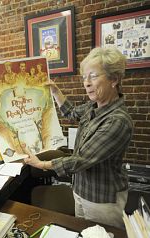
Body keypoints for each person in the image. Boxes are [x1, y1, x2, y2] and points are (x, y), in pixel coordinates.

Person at [24, 47, 133, 229]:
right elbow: (72, 112)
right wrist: (55, 92)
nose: (86, 83)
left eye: (93, 76)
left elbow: (81, 160)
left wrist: (41, 165)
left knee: (100, 234)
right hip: (81, 189)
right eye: (84, 77)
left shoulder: (117, 121)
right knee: (81, 230)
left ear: (114, 79)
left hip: (101, 198)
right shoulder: (94, 106)